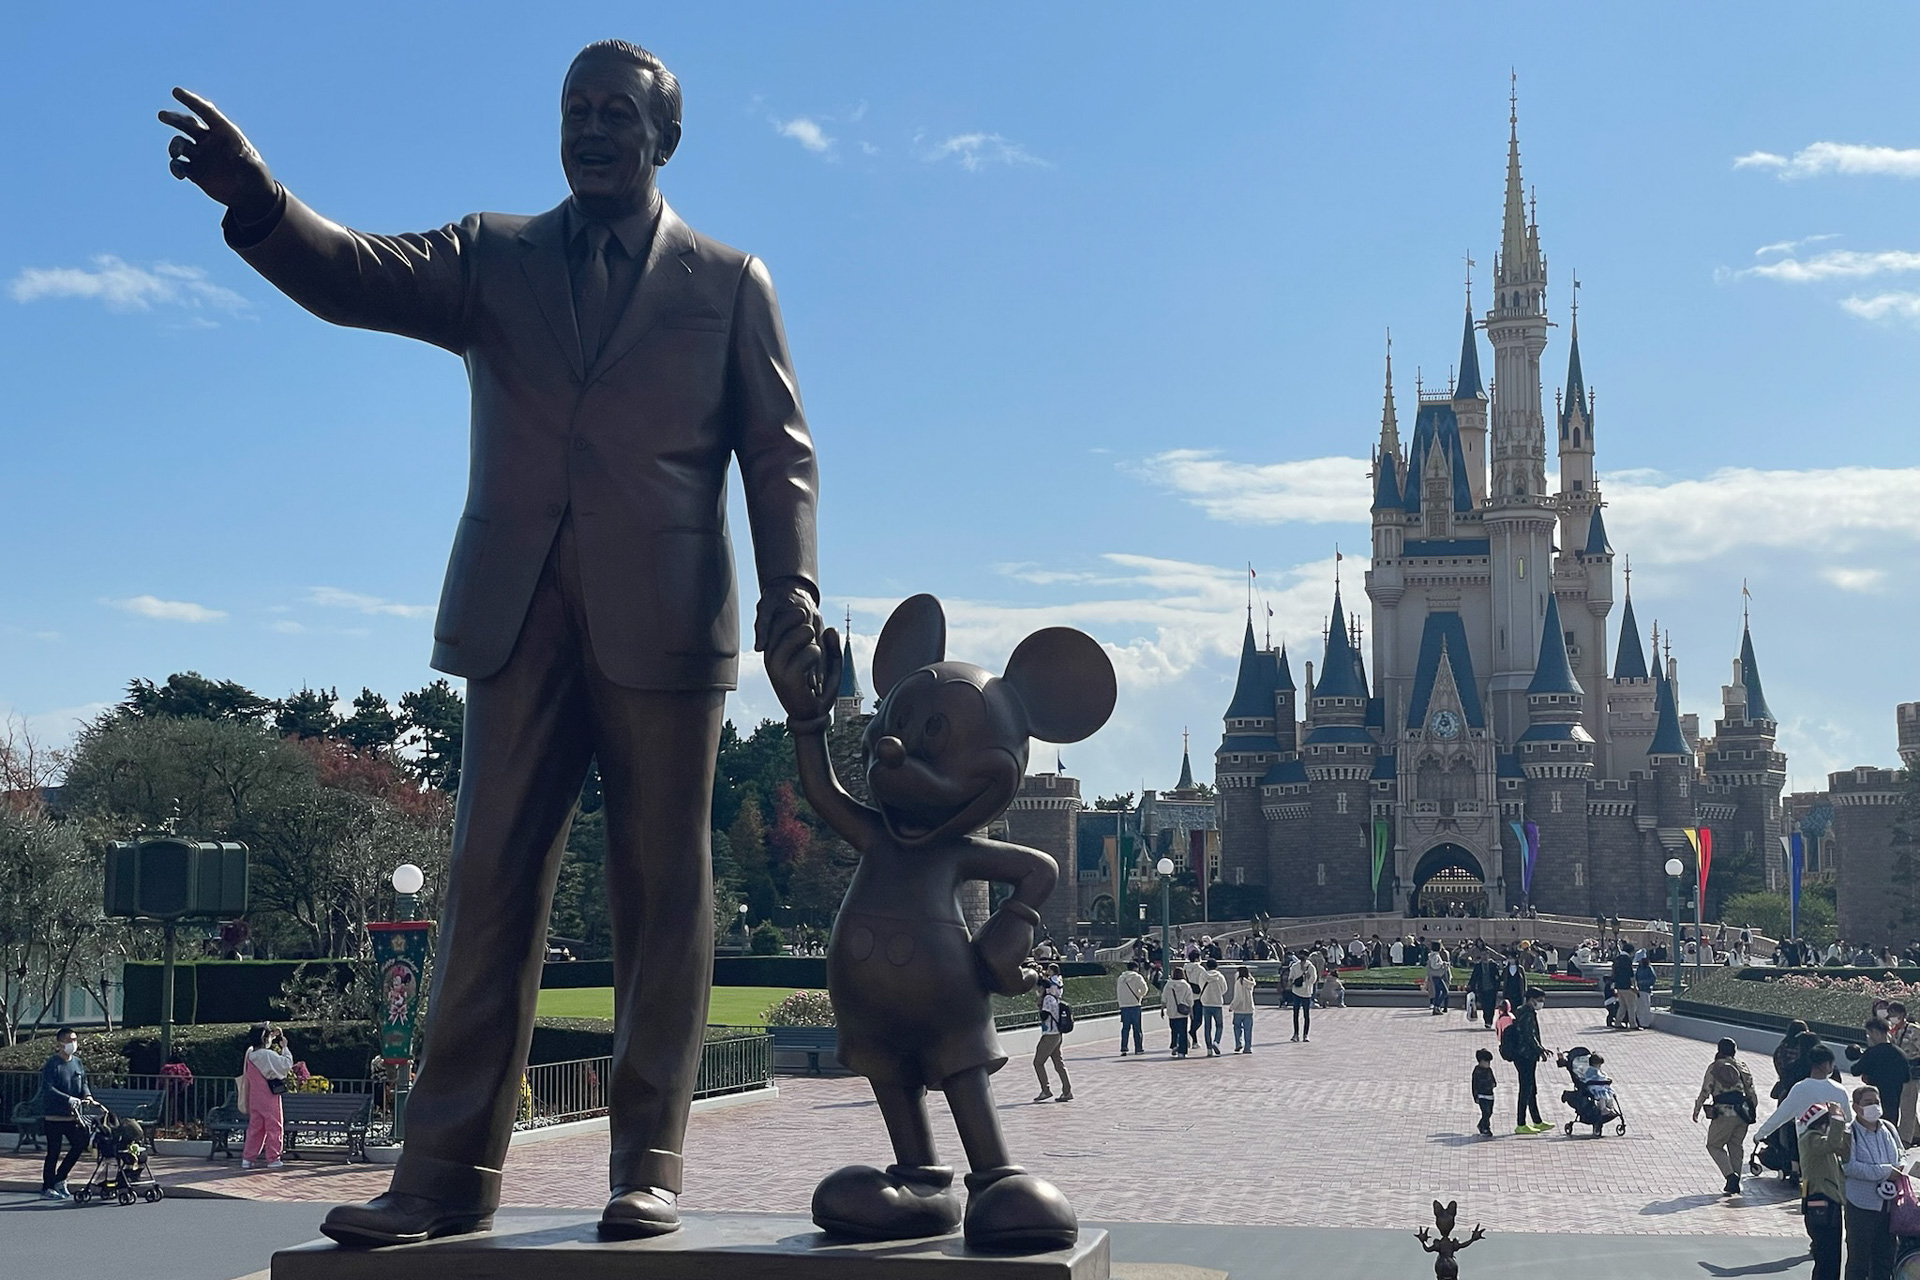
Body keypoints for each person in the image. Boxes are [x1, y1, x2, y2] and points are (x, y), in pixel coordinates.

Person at [165, 39, 823, 1246]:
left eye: (614, 112)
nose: (588, 128)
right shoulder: (492, 254)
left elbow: (779, 452)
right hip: (517, 611)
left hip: (670, 620)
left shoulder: (731, 281)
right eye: (573, 109)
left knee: (662, 893)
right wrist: (261, 201)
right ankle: (445, 1175)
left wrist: (797, 591)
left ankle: (651, 1163)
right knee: (484, 889)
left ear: (665, 138)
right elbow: (359, 273)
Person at [1841, 1085, 1901, 1280]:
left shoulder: (1889, 1128)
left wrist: (1900, 1168)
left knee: (1885, 1260)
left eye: (1876, 1102)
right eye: (1868, 1103)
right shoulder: (1849, 1132)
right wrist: (1885, 1171)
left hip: (1889, 1206)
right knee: (1859, 1261)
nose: (1874, 1106)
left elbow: (1901, 1155)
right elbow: (1850, 1167)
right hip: (1861, 1205)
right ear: (1856, 1107)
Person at [1693, 1037, 1759, 1196]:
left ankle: (1730, 1177)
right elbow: (1751, 1092)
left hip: (1724, 1112)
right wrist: (1752, 1110)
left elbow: (1705, 1090)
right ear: (1734, 1051)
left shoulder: (1715, 1067)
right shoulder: (1742, 1067)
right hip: (1742, 1113)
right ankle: (1735, 1181)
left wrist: (1697, 1108)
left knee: (1714, 1144)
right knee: (1736, 1145)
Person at [38, 1027, 94, 1200]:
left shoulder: (77, 1062)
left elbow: (82, 1081)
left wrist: (88, 1095)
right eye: (69, 1040)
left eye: (75, 1039)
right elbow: (48, 1088)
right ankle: (47, 1187)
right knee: (53, 1152)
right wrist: (68, 1099)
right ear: (60, 1043)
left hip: (73, 1116)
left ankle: (60, 1178)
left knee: (80, 1144)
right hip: (54, 1116)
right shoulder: (52, 1064)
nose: (73, 1043)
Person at [1800, 1101, 1849, 1280]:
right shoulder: (1811, 1139)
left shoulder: (1814, 1140)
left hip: (1825, 1201)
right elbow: (1833, 1142)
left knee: (1830, 1255)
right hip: (1822, 1201)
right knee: (1827, 1254)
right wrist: (1837, 1117)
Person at [243, 1022, 294, 1170]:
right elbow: (286, 1064)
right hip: (269, 1097)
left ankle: (248, 1158)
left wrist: (270, 1035)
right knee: (274, 1126)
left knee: (255, 1128)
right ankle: (273, 1159)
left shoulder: (250, 1054)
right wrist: (285, 1047)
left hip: (255, 1097)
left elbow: (262, 1046)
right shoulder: (267, 1055)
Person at [1848, 1020, 1912, 1129]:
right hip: (1894, 1098)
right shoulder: (1900, 1053)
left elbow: (1855, 1070)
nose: (1868, 1037)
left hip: (1874, 1099)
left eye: (1869, 1034)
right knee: (1891, 1127)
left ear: (1875, 1033)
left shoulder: (1872, 1053)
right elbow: (1906, 1077)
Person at [1511, 988, 1551, 1134]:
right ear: (1531, 999)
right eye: (1539, 1000)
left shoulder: (1523, 1011)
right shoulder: (1527, 1014)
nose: (1541, 1003)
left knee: (1531, 1089)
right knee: (1525, 1090)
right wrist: (1541, 1049)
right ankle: (1521, 1123)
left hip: (1527, 1055)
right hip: (1525, 1056)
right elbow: (1529, 1036)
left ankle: (1537, 1120)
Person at [1031, 976, 1071, 1103]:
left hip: (1050, 1034)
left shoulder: (1047, 999)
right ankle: (1067, 1091)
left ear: (1042, 988)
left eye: (1038, 988)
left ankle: (1046, 1089)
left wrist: (1039, 1004)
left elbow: (1044, 1016)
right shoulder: (1054, 998)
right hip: (1056, 1034)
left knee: (1038, 1062)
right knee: (1058, 1063)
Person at [1115, 961, 1149, 1057]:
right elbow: (1144, 989)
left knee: (1125, 1028)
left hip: (1124, 1006)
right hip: (1135, 1005)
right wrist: (1139, 996)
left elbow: (1118, 992)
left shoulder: (1121, 978)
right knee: (1137, 1028)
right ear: (1136, 968)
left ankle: (1124, 1048)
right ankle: (1138, 1048)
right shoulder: (1137, 977)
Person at [1198, 960, 1228, 1057]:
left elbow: (1200, 986)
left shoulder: (1203, 976)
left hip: (1206, 1003)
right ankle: (1216, 1041)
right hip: (1217, 1003)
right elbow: (1224, 989)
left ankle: (1209, 1049)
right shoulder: (1220, 976)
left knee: (1207, 1027)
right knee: (1219, 1025)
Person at [1163, 966, 1193, 1058]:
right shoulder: (1186, 985)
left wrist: (1162, 1009)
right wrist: (1191, 1012)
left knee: (1174, 1030)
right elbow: (1190, 1000)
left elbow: (1164, 998)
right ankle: (1182, 1051)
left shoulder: (1168, 984)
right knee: (1183, 1032)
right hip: (1182, 1012)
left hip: (1172, 1012)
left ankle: (1174, 1046)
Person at [1286, 950, 1315, 1043]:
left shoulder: (1310, 967)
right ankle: (1296, 1034)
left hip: (1306, 992)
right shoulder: (1294, 966)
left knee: (1306, 1014)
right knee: (1296, 1013)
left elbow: (1313, 979)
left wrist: (1306, 975)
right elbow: (1290, 977)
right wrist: (1291, 982)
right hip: (1296, 992)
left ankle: (1305, 1034)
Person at [1229, 966, 1257, 1054]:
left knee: (1237, 1027)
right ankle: (1248, 1047)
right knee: (1248, 1029)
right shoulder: (1250, 982)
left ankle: (1238, 1043)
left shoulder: (1239, 982)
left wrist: (1232, 1006)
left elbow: (1238, 997)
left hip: (1239, 1009)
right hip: (1249, 1009)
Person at [1471, 1048, 1498, 1137]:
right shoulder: (1477, 1071)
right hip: (1482, 1095)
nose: (1488, 1064)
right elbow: (1474, 1085)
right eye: (1486, 1062)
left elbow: (1493, 1080)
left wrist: (1493, 1084)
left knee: (1490, 1112)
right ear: (1480, 1061)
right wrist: (1476, 1096)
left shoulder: (1489, 1070)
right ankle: (1484, 1127)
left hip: (1490, 1095)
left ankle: (1484, 1124)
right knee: (1485, 1112)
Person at [1611, 945, 1638, 1031]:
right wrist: (1634, 985)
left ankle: (1618, 1022)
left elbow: (1614, 972)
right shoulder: (1627, 960)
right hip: (1627, 986)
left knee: (1622, 1005)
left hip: (1618, 986)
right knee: (1631, 1006)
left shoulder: (1617, 958)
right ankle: (1633, 1024)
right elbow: (1630, 974)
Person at [1426, 943, 1451, 1016]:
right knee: (1445, 992)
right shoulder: (1436, 956)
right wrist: (1443, 964)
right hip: (1437, 976)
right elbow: (1434, 966)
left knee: (1437, 993)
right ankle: (1436, 1006)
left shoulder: (1431, 955)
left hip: (1434, 976)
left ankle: (1436, 1008)